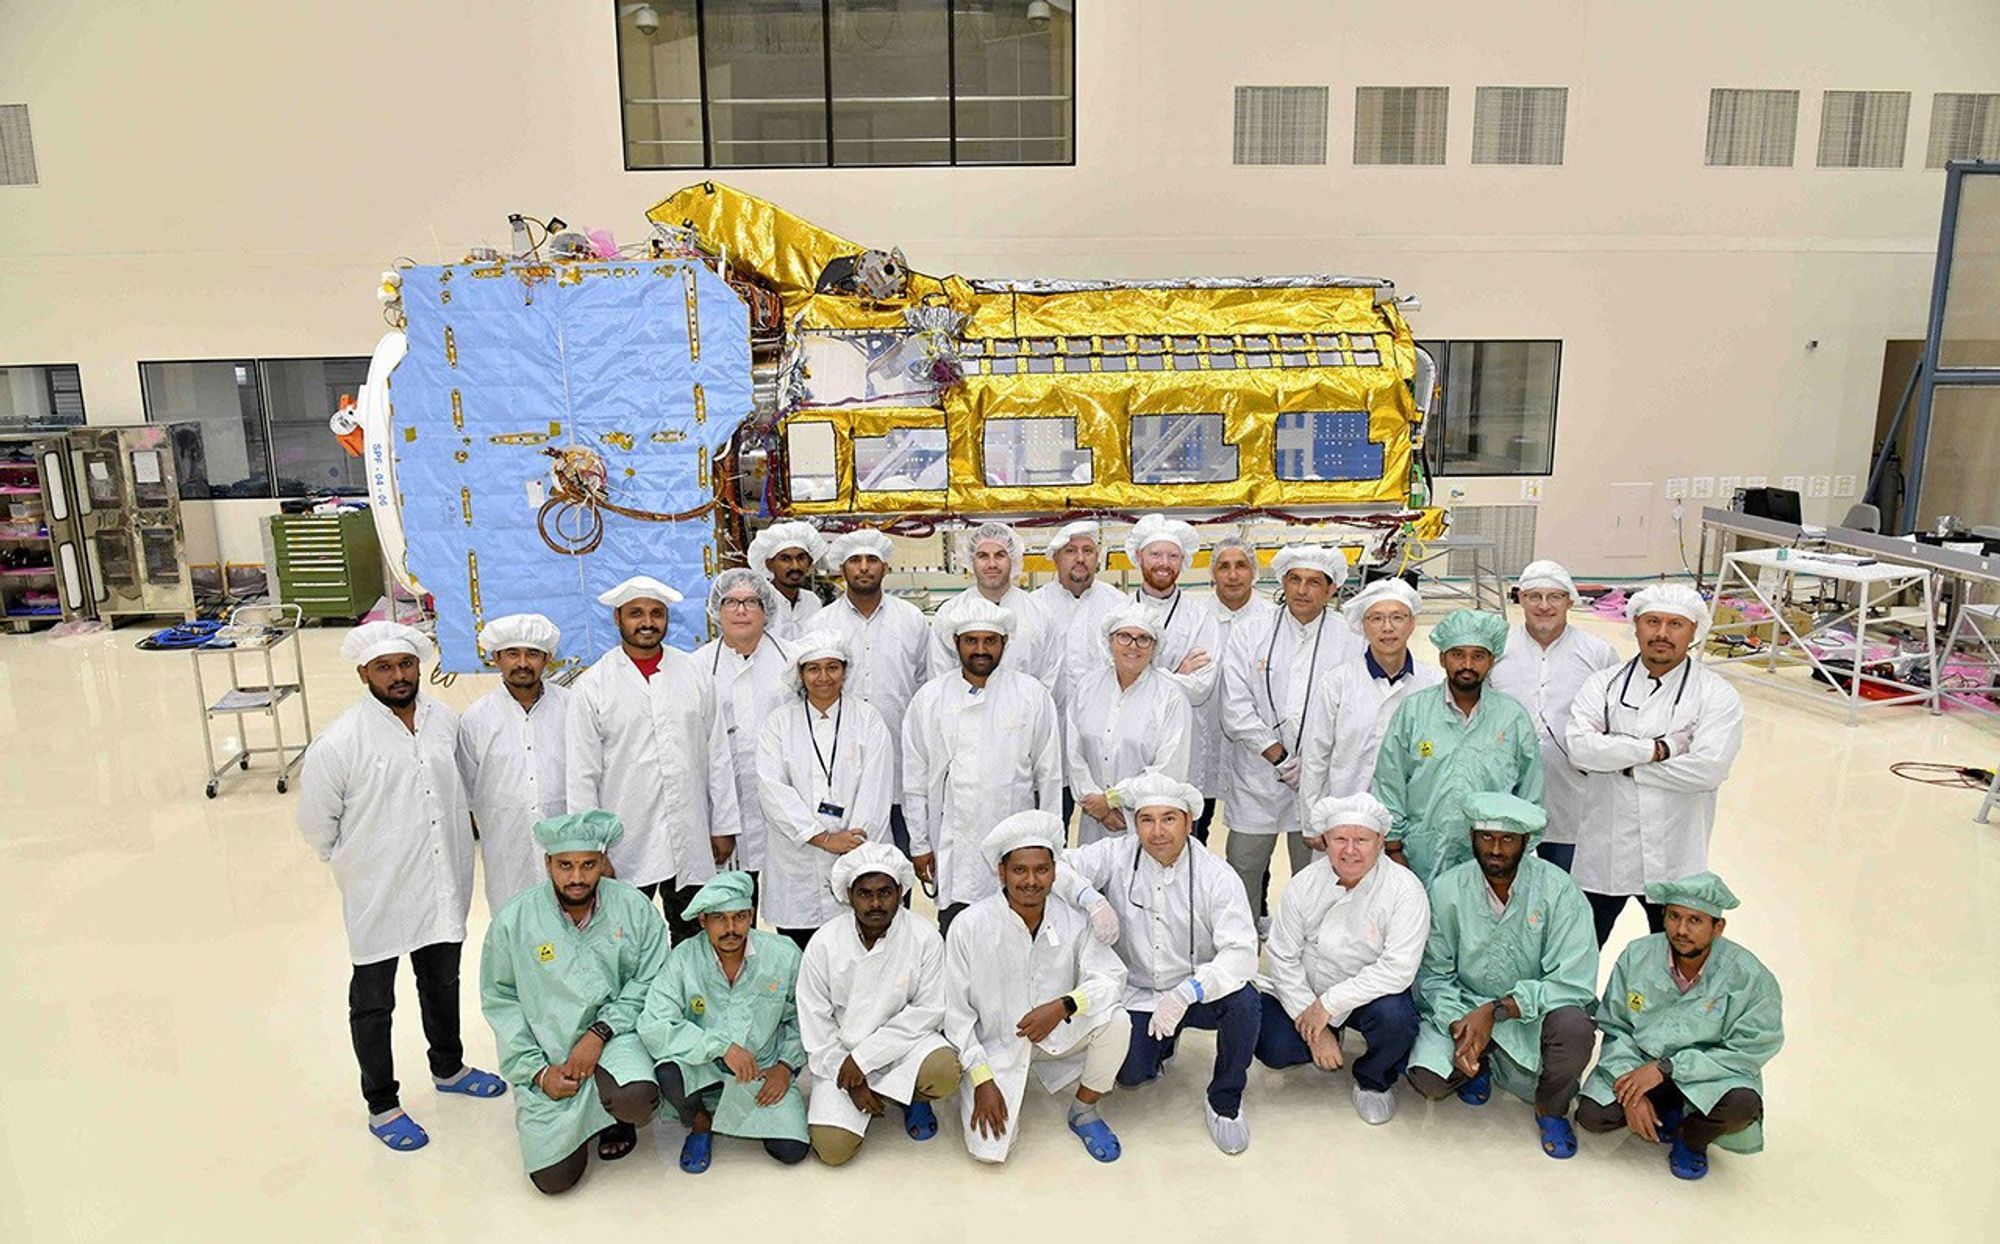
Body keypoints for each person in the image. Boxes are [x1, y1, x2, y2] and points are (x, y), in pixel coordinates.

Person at [297, 622, 504, 1152]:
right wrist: (355, 864)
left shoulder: (443, 722)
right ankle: (382, 1103)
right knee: (373, 1000)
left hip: (440, 878)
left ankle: (449, 1068)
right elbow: (317, 823)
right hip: (379, 888)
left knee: (441, 980)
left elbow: (463, 785)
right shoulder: (342, 741)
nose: (398, 676)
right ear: (363, 673)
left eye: (405, 665)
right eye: (384, 668)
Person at [1058, 773, 1261, 1154]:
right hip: (1137, 992)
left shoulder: (1217, 876)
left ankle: (1225, 1102)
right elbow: (1056, 862)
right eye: (1146, 819)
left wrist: (1188, 992)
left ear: (1189, 821)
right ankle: (1160, 1047)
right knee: (1131, 1075)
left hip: (1197, 990)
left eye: (1169, 818)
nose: (1157, 831)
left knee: (1246, 1002)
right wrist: (1089, 897)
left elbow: (1241, 953)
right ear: (1135, 824)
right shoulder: (1116, 854)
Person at [479, 810, 669, 1194]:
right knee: (553, 1181)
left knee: (635, 1098)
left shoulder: (632, 908)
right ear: (548, 863)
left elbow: (653, 979)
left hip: (617, 1038)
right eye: (565, 865)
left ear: (603, 863)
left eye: (588, 865)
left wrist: (600, 1032)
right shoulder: (514, 921)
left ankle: (614, 1117)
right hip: (549, 1054)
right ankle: (576, 1120)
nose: (577, 877)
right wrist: (537, 1072)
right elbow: (501, 1001)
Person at [1406, 793, 1598, 1161]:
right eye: (1486, 837)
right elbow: (1434, 975)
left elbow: (1574, 981)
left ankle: (1551, 1110)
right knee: (1427, 1081)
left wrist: (1498, 1010)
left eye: (1508, 839)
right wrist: (1459, 1028)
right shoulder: (1447, 888)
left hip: (1531, 1013)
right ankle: (1479, 1063)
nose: (1495, 848)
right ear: (1472, 838)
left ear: (1527, 842)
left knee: (1575, 1026)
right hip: (1464, 1007)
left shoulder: (1559, 891)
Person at [943, 812, 1130, 1164]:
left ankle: (1084, 1111)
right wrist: (982, 1080)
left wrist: (1065, 1005)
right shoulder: (968, 926)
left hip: (1058, 1035)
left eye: (1041, 870)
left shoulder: (1074, 919)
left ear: (1055, 872)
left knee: (1117, 1022)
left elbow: (1110, 979)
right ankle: (994, 1083)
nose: (1031, 881)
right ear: (1002, 872)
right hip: (996, 1045)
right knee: (987, 1151)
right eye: (1019, 870)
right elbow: (956, 1015)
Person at [1565, 584, 1745, 946]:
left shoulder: (1716, 694)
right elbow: (1580, 750)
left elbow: (1708, 770)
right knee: (1578, 957)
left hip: (1676, 860)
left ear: (1694, 631)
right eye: (1652, 622)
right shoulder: (1603, 685)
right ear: (1636, 626)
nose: (1662, 633)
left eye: (1675, 624)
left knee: (1675, 961)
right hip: (1605, 855)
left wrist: (1627, 765)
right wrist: (1660, 749)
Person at [567, 575, 741, 943]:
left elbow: (717, 756)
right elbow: (582, 775)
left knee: (693, 936)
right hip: (626, 840)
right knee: (625, 939)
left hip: (691, 832)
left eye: (656, 613)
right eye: (636, 613)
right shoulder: (593, 685)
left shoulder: (693, 674)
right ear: (618, 619)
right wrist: (593, 850)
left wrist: (723, 825)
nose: (647, 622)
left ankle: (687, 1001)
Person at [1576, 872, 1783, 1181]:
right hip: (1640, 1065)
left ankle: (1691, 1137)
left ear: (1718, 927)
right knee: (1592, 1116)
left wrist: (1668, 1068)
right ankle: (1667, 1109)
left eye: (1695, 920)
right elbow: (1616, 1026)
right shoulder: (1638, 955)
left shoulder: (1749, 977)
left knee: (1742, 1104)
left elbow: (1750, 1048)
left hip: (1708, 1075)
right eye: (1674, 916)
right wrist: (1631, 1093)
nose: (1681, 930)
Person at [1255, 793, 1428, 1125]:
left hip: (1370, 996)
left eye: (1361, 840)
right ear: (1324, 841)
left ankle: (1373, 1081)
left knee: (1397, 1021)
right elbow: (1282, 956)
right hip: (1309, 989)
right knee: (1272, 1046)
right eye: (1340, 839)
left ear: (1380, 841)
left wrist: (1329, 1006)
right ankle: (1326, 1035)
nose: (1350, 850)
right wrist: (1315, 1025)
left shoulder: (1405, 890)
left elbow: (1398, 968)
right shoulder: (1304, 884)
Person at [797, 844, 962, 1166]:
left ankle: (913, 1098)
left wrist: (865, 1059)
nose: (875, 903)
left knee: (944, 1071)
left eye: (885, 892)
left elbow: (929, 1010)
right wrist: (850, 1074)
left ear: (900, 890)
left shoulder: (924, 937)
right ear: (848, 894)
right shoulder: (824, 943)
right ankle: (875, 1095)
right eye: (865, 893)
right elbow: (816, 1025)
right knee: (832, 1151)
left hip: (905, 1047)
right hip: (841, 1055)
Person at [1220, 545, 1360, 924]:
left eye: (1314, 582)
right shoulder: (1251, 632)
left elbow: (1354, 707)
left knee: (1315, 873)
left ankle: (1308, 948)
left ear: (1331, 589)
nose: (1302, 590)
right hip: (1257, 775)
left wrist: (1314, 762)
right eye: (1295, 580)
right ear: (1282, 582)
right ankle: (1242, 947)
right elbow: (1234, 705)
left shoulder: (1350, 637)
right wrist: (1277, 754)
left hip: (1320, 780)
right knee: (1243, 866)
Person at [903, 599, 1062, 933]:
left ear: (1004, 642)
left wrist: (1050, 843)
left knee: (1017, 942)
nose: (980, 649)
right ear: (955, 643)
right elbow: (915, 780)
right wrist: (919, 845)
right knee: (959, 942)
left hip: (1018, 853)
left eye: (990, 640)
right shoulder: (930, 699)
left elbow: (1048, 777)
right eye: (971, 640)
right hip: (953, 849)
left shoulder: (1031, 695)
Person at [638, 871, 810, 1173]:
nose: (731, 928)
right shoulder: (683, 958)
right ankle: (700, 1121)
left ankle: (738, 1107)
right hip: (701, 1066)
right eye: (719, 918)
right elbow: (654, 1023)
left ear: (752, 915)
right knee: (668, 1072)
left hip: (762, 1070)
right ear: (703, 921)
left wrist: (785, 1067)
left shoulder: (783, 955)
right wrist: (720, 1047)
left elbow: (805, 1018)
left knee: (792, 1151)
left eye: (740, 916)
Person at [1373, 609, 1544, 886]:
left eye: (1478, 656)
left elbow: (1530, 791)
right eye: (1457, 654)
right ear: (1442, 658)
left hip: (1492, 860)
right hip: (1420, 856)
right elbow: (1389, 781)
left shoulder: (1512, 717)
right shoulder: (1414, 712)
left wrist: (1519, 850)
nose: (1467, 664)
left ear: (1492, 660)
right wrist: (1393, 848)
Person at [756, 635, 896, 948]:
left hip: (857, 855)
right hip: (797, 860)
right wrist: (822, 838)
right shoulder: (779, 724)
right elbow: (772, 789)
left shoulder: (868, 719)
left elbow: (877, 786)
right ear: (800, 674)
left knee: (858, 952)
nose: (823, 677)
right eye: (813, 669)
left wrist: (853, 840)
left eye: (832, 667)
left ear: (845, 671)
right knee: (801, 956)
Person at [803, 529, 931, 858]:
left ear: (885, 567)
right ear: (841, 569)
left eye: (872, 560)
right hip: (836, 766)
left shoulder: (911, 620)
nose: (863, 567)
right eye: (855, 560)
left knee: (895, 864)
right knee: (843, 864)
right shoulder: (819, 624)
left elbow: (924, 688)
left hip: (901, 765)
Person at [1487, 561, 1620, 872]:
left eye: (1554, 597)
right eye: (1534, 596)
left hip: (1573, 802)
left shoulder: (1597, 653)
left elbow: (1615, 724)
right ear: (1520, 599)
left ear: (1569, 601)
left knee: (1563, 892)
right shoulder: (1497, 650)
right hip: (1504, 793)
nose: (1544, 606)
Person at [1297, 578, 1441, 822]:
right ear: (1363, 626)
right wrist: (1314, 821)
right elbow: (1315, 758)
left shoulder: (1434, 683)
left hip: (1412, 818)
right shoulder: (1337, 683)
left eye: (1397, 617)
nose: (1387, 627)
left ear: (1412, 623)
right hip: (1346, 817)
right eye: (1376, 618)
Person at [693, 568, 798, 899]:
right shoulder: (697, 666)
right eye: (731, 602)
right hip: (725, 808)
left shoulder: (793, 660)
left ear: (766, 609)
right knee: (733, 906)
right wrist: (716, 823)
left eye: (751, 602)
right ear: (716, 610)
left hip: (788, 804)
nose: (741, 610)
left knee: (795, 906)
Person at [456, 612, 569, 912]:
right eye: (512, 654)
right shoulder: (476, 719)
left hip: (568, 854)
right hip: (506, 850)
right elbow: (467, 790)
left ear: (547, 659)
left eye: (532, 654)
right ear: (496, 658)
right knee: (513, 932)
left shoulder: (571, 708)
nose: (522, 663)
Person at [1065, 513, 1221, 710]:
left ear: (1183, 560)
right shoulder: (1116, 615)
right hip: (1126, 726)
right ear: (1139, 556)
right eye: (1155, 554)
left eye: (1173, 556)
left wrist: (1136, 671)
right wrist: (1178, 675)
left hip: (1183, 730)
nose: (1164, 563)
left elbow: (1200, 688)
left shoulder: (1201, 618)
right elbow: (1108, 682)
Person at [1064, 606, 1192, 844]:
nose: (1133, 645)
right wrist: (1095, 803)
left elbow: (1169, 769)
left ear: (1154, 647)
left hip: (1145, 821)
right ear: (1110, 641)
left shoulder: (1170, 696)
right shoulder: (1088, 687)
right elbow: (1074, 753)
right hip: (1094, 820)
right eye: (1124, 636)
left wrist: (1113, 799)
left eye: (1143, 639)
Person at [1029, 520, 1125, 826]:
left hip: (1103, 745)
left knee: (1107, 840)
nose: (1080, 558)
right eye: (1071, 551)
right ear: (1055, 558)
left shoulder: (1118, 606)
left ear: (1099, 557)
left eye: (1088, 550)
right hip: (1046, 744)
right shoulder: (1033, 608)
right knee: (1045, 832)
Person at [1191, 535, 1276, 843]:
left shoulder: (1273, 620)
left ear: (1254, 571)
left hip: (1256, 748)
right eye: (1224, 566)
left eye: (1241, 565)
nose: (1232, 574)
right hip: (1203, 744)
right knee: (1195, 833)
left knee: (1253, 841)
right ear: (1213, 573)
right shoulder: (1195, 616)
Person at [926, 521, 1060, 688]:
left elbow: (1050, 677)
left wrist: (1030, 710)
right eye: (982, 556)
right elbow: (940, 680)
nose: (992, 564)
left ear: (1013, 558)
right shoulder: (949, 614)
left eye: (1000, 555)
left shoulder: (1040, 614)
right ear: (971, 561)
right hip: (964, 712)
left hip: (1024, 712)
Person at [748, 520, 826, 638]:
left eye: (801, 558)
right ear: (770, 565)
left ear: (810, 563)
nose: (795, 566)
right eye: (785, 559)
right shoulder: (756, 602)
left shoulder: (812, 602)